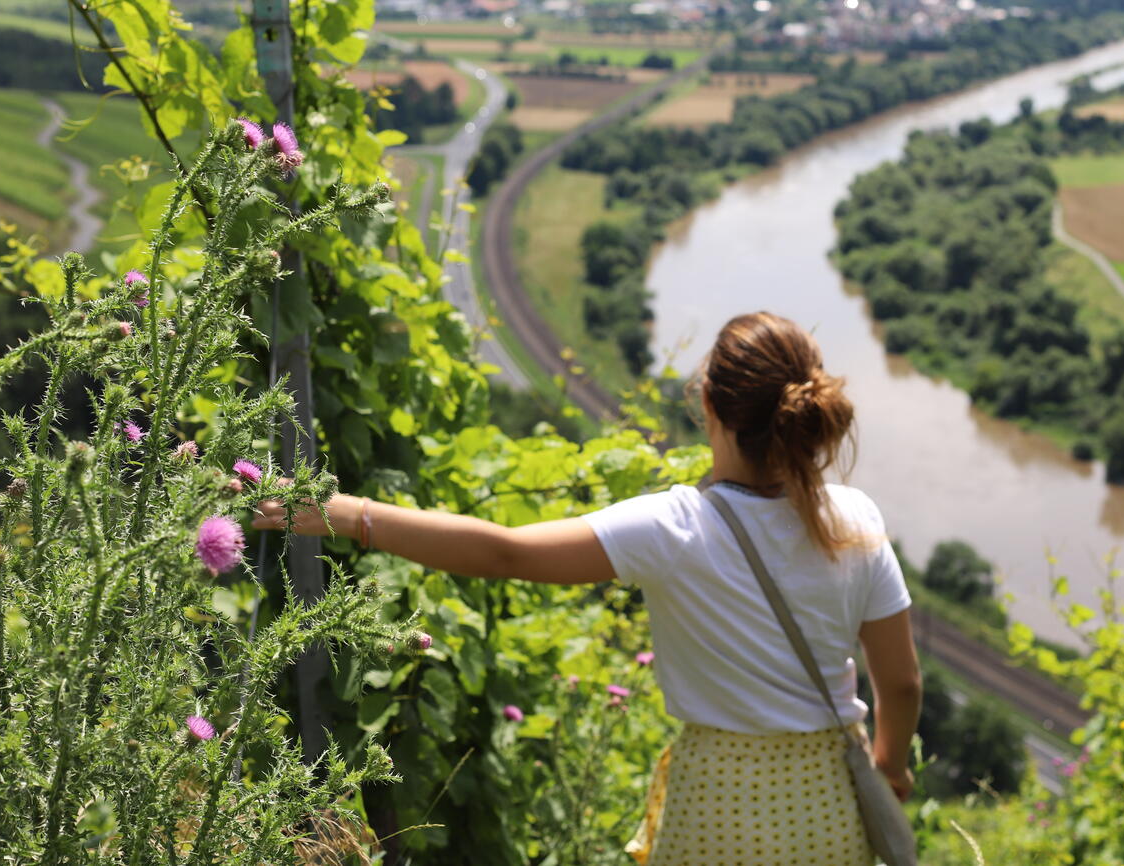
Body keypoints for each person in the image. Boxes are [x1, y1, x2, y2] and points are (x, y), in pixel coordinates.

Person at [254, 311, 922, 865]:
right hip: (829, 808)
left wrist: (342, 512)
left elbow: (503, 550)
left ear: (709, 405)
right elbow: (900, 685)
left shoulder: (676, 526)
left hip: (717, 806)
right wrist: (888, 769)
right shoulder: (854, 521)